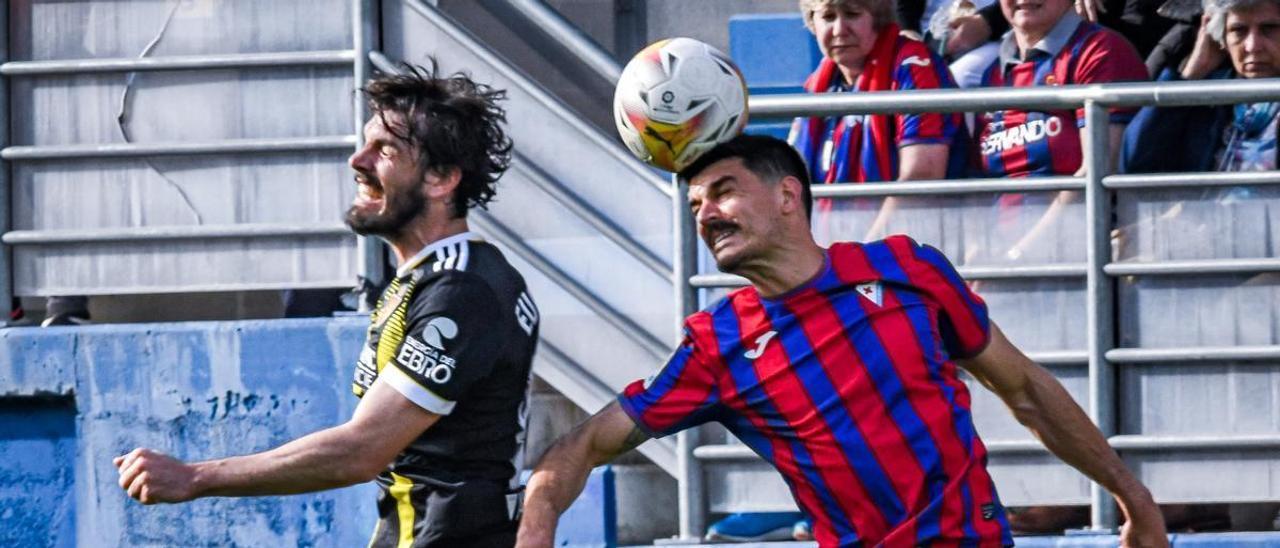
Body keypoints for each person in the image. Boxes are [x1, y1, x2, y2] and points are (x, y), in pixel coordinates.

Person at [514, 135, 1167, 548]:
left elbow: (1023, 389)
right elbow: (587, 442)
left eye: (723, 192)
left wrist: (1133, 499)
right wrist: (539, 518)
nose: (706, 215)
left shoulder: (907, 270)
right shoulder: (716, 345)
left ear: (788, 196)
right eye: (694, 206)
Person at [112, 62, 540, 547]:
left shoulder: (463, 292)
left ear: (441, 178)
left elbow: (362, 451)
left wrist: (196, 477)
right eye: (364, 142)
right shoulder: (427, 280)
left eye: (385, 150)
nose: (357, 161)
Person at [974, 0, 1147, 262]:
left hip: (1078, 259)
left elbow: (1097, 172)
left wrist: (1019, 254)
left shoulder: (1100, 50)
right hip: (1004, 257)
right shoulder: (993, 73)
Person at [789, 0, 971, 245]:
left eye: (852, 14)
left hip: (911, 255)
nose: (840, 29)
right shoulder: (817, 85)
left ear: (878, 17)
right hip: (835, 256)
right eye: (828, 17)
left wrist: (856, 261)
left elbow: (921, 178)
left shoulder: (915, 68)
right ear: (813, 23)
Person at [1122, 0, 1280, 173]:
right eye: (1238, 31)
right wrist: (1192, 74)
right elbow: (1133, 164)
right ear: (1221, 38)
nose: (1252, 46)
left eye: (1269, 29)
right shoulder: (1206, 98)